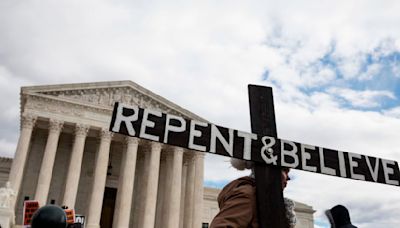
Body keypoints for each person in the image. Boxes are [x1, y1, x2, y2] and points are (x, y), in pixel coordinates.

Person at [210, 159, 296, 228]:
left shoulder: (260, 196)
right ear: (268, 170)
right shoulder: (248, 194)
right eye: (285, 170)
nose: (288, 178)